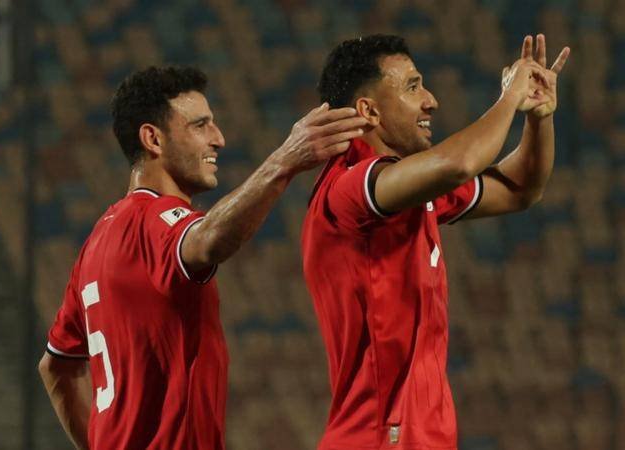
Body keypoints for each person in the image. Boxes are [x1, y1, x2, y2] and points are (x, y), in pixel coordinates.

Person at [37, 66, 366, 450]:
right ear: (152, 139)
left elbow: (55, 367)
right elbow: (209, 240)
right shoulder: (154, 221)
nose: (219, 139)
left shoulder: (97, 241)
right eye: (200, 125)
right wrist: (284, 161)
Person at [302, 34, 570, 449]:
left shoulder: (410, 189)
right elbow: (458, 164)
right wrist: (509, 98)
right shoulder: (351, 186)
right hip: (378, 437)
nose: (431, 100)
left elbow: (520, 189)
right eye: (412, 86)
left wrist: (538, 116)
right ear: (368, 111)